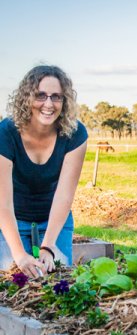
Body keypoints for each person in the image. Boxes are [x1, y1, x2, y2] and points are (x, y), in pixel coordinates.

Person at [0, 65, 88, 278]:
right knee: (14, 278)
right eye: (41, 95)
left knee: (56, 276)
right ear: (27, 98)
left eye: (56, 97)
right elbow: (3, 202)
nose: (48, 104)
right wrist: (20, 254)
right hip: (13, 221)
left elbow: (64, 197)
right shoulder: (6, 133)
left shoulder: (75, 134)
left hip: (54, 223)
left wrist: (48, 247)